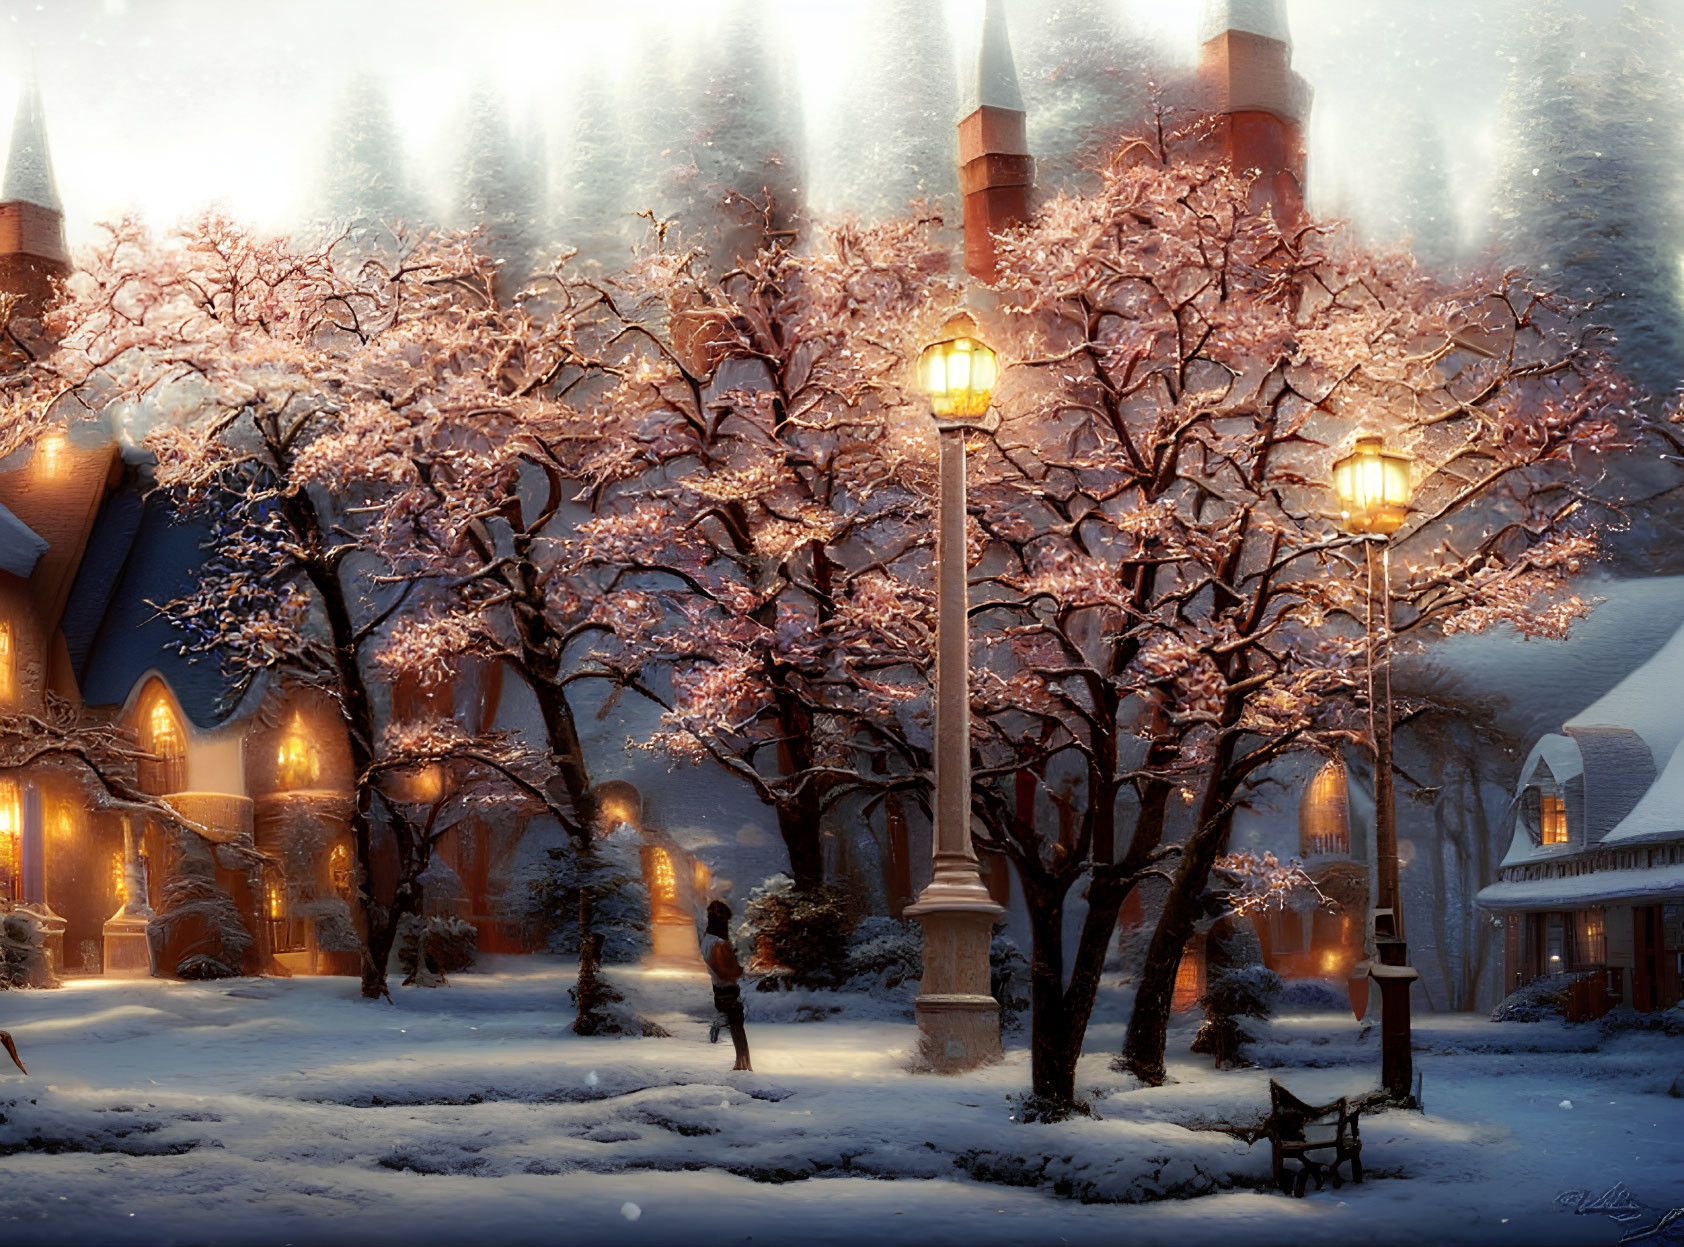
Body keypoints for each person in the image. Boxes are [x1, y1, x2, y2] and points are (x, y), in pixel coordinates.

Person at [700, 900, 751, 1072]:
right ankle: (742, 1064)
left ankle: (741, 1064)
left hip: (716, 986)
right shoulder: (720, 943)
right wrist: (741, 969)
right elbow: (728, 971)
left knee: (733, 1024)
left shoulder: (707, 940)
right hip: (726, 988)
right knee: (736, 1026)